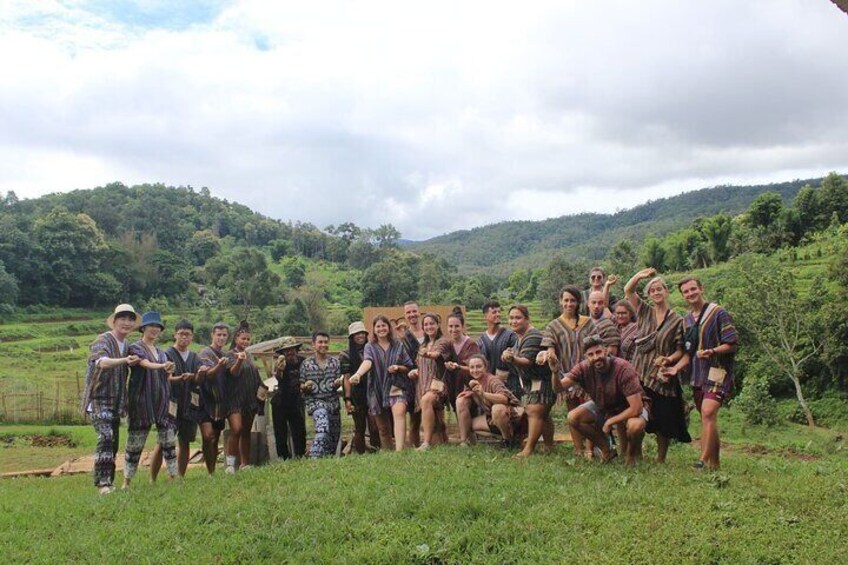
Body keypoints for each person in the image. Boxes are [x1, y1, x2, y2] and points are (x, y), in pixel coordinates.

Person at [625, 269, 692, 462]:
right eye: (652, 290)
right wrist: (639, 276)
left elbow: (680, 349)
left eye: (659, 289)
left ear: (666, 291)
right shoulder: (644, 311)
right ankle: (635, 453)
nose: (656, 292)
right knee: (638, 415)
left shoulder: (677, 320)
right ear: (649, 295)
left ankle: (660, 458)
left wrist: (668, 359)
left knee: (663, 419)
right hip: (640, 373)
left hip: (663, 377)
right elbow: (628, 290)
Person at [553, 336, 648, 464]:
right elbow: (558, 388)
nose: (596, 357)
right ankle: (606, 450)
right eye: (591, 354)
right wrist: (554, 372)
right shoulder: (583, 368)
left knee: (635, 426)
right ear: (586, 357)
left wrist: (610, 422)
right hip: (604, 404)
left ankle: (631, 455)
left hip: (629, 405)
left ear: (605, 351)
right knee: (573, 417)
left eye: (598, 352)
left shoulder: (623, 368)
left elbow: (636, 408)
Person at [679, 276, 738, 470]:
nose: (690, 293)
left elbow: (732, 343)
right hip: (697, 374)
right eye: (686, 291)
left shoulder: (718, 312)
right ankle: (715, 464)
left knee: (708, 411)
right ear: (682, 296)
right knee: (708, 418)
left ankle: (702, 461)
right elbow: (687, 351)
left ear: (701, 288)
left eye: (693, 289)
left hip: (718, 370)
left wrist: (712, 351)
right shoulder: (686, 320)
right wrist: (673, 367)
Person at [82, 304, 142, 495]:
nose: (126, 322)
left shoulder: (128, 346)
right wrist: (125, 361)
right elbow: (101, 362)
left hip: (117, 401)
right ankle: (103, 484)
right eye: (122, 318)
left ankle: (109, 482)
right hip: (99, 398)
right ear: (114, 321)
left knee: (113, 441)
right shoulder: (103, 340)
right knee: (105, 436)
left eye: (130, 319)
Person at [122, 311, 177, 490]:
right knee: (135, 442)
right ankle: (126, 482)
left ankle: (173, 476)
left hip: (161, 400)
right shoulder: (135, 348)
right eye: (151, 326)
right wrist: (162, 365)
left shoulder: (162, 353)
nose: (154, 329)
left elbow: (166, 375)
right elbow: (144, 364)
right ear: (143, 328)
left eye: (157, 327)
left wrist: (169, 369)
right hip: (141, 401)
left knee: (168, 441)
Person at [150, 319, 210, 478]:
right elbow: (163, 378)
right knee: (163, 442)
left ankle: (179, 476)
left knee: (185, 442)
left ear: (192, 337)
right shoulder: (166, 355)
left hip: (189, 406)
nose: (184, 337)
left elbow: (199, 379)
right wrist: (181, 378)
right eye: (181, 334)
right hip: (170, 404)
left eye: (188, 334)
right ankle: (152, 478)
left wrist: (200, 373)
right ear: (175, 335)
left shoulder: (195, 357)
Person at [349, 315, 415, 451]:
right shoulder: (370, 346)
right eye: (378, 326)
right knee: (383, 428)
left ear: (388, 328)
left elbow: (408, 365)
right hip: (376, 389)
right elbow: (368, 361)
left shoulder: (398, 345)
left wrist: (397, 367)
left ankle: (400, 451)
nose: (381, 329)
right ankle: (389, 453)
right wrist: (358, 374)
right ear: (374, 330)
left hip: (397, 386)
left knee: (399, 415)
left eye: (383, 325)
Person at [502, 304, 553, 457]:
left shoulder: (532, 336)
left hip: (542, 380)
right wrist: (509, 354)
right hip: (533, 381)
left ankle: (529, 449)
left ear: (527, 319)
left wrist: (511, 358)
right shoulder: (520, 338)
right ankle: (549, 446)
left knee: (534, 411)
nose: (514, 321)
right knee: (543, 414)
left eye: (518, 318)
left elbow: (527, 361)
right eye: (511, 318)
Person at [224, 320, 266, 472]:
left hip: (250, 399)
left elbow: (255, 375)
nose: (246, 341)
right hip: (235, 399)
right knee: (236, 429)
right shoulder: (229, 355)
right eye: (243, 339)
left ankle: (245, 463)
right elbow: (233, 373)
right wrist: (239, 361)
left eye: (248, 339)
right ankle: (230, 465)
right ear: (236, 339)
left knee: (246, 431)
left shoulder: (249, 355)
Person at [456, 354, 521, 447]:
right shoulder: (475, 381)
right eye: (472, 367)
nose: (475, 370)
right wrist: (470, 392)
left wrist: (484, 394)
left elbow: (504, 399)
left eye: (478, 367)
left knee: (497, 409)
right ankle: (467, 442)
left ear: (485, 367)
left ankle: (508, 440)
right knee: (467, 424)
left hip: (514, 417)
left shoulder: (493, 380)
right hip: (491, 418)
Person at [409, 313, 451, 451]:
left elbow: (436, 355)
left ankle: (425, 443)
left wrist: (427, 353)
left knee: (427, 400)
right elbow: (420, 365)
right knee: (438, 422)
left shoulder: (443, 342)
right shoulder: (423, 345)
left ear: (438, 325)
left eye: (432, 323)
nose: (429, 326)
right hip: (422, 384)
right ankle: (442, 441)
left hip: (438, 385)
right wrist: (414, 372)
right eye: (426, 324)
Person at [197, 322, 235, 474]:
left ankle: (212, 471)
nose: (221, 338)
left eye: (224, 335)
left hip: (220, 402)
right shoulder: (205, 353)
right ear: (212, 335)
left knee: (216, 436)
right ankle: (210, 469)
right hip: (205, 401)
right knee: (208, 436)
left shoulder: (226, 355)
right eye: (218, 334)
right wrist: (220, 365)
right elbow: (209, 375)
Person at [299, 331, 343, 458]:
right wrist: (306, 386)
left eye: (326, 342)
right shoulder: (306, 364)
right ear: (313, 344)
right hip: (316, 404)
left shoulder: (335, 363)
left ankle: (325, 465)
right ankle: (313, 458)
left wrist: (337, 383)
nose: (323, 345)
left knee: (333, 440)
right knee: (322, 429)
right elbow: (301, 386)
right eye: (320, 342)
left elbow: (338, 382)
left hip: (333, 404)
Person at [340, 322, 381, 454]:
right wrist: (347, 399)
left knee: (375, 426)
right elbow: (346, 378)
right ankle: (361, 454)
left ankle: (377, 452)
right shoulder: (345, 355)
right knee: (359, 427)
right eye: (357, 333)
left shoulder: (373, 349)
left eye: (362, 332)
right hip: (357, 393)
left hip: (373, 391)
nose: (360, 335)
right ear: (352, 336)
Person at [270, 337, 308, 460]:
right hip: (281, 400)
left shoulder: (304, 362)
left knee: (299, 431)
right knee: (280, 432)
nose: (289, 353)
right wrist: (279, 371)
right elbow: (278, 378)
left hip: (297, 400)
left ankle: (300, 456)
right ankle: (283, 458)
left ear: (296, 349)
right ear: (282, 352)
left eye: (291, 349)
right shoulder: (280, 363)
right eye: (286, 351)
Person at [476, 300, 520, 397]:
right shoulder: (480, 341)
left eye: (499, 312)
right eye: (494, 312)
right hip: (488, 385)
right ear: (485, 316)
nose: (498, 314)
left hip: (509, 385)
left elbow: (518, 356)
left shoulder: (510, 336)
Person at [443, 308, 480, 415]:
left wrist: (458, 367)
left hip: (469, 388)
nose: (453, 329)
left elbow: (475, 369)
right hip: (453, 387)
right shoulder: (448, 345)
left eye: (457, 326)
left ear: (463, 327)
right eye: (450, 326)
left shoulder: (471, 345)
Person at [587, 290, 621, 357]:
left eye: (600, 303)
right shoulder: (583, 323)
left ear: (604, 305)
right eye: (593, 302)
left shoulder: (609, 326)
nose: (596, 306)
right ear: (588, 304)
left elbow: (612, 353)